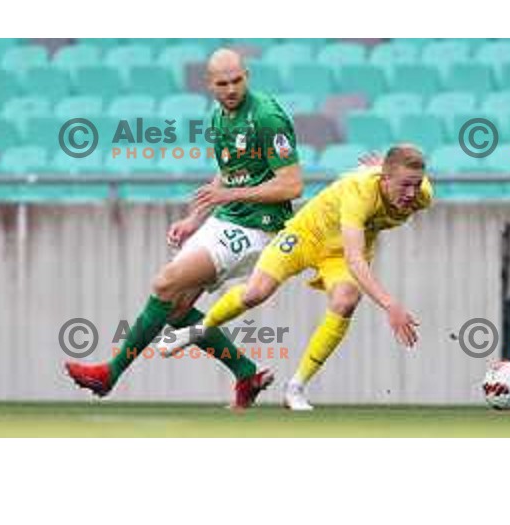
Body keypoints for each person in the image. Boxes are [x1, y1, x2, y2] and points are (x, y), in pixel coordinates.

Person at [65, 48, 303, 408]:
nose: (231, 89)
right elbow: (228, 171)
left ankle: (109, 373)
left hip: (259, 227)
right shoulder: (218, 119)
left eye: (237, 80)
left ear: (247, 76)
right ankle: (246, 373)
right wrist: (195, 218)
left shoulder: (267, 117)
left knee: (165, 283)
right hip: (227, 218)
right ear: (209, 85)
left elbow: (291, 185)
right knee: (174, 310)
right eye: (222, 83)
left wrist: (230, 195)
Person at [167, 144, 433, 410]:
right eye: (404, 185)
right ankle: (200, 330)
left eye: (416, 184)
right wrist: (389, 304)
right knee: (255, 293)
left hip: (337, 254)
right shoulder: (360, 193)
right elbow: (356, 259)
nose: (411, 193)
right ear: (385, 179)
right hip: (306, 236)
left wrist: (383, 170)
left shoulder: (422, 195)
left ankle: (295, 387)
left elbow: (351, 254)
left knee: (346, 300)